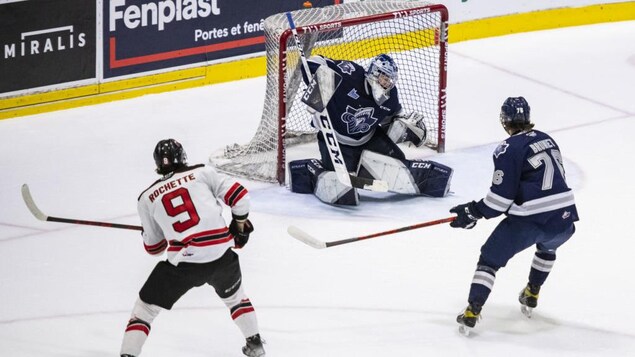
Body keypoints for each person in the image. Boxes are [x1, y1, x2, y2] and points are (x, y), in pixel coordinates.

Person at [119, 139, 265, 357]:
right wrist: (240, 225)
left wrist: (149, 233)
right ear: (183, 157)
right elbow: (240, 197)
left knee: (145, 310)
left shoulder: (147, 198)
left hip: (185, 265)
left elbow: (154, 248)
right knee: (236, 299)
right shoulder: (203, 172)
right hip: (221, 255)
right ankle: (255, 344)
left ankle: (128, 355)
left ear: (158, 164)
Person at [449, 97, 579, 335]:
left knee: (489, 260)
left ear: (504, 120)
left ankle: (472, 311)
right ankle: (532, 293)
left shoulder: (507, 149)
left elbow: (499, 201)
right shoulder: (547, 139)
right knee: (547, 248)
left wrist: (472, 211)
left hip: (530, 220)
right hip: (565, 219)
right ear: (527, 117)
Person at [288, 53, 453, 205]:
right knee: (342, 181)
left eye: (389, 80)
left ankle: (367, 167)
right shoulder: (350, 74)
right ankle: (310, 170)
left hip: (369, 138)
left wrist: (405, 130)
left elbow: (391, 121)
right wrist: (318, 84)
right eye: (384, 77)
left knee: (398, 160)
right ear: (374, 73)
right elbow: (313, 62)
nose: (386, 83)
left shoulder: (390, 96)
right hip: (335, 139)